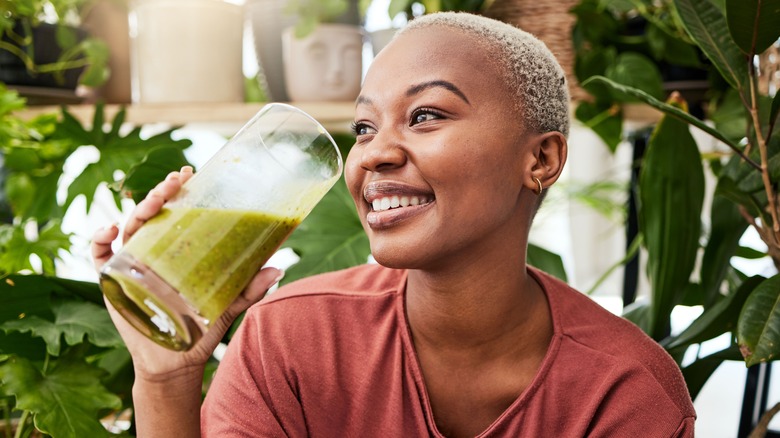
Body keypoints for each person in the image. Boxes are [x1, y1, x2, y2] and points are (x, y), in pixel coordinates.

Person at [92, 12, 695, 437]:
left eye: (426, 115)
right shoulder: (290, 339)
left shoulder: (624, 393)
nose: (375, 152)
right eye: (363, 127)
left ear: (540, 160)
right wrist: (164, 376)